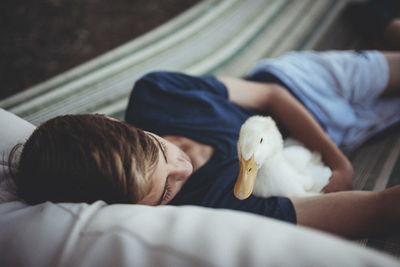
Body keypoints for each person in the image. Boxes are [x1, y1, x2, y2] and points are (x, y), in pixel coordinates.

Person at [8, 49, 400, 240]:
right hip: (346, 133)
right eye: (165, 192)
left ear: (109, 121)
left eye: (159, 148)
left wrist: (340, 163)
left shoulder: (156, 92)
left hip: (301, 85)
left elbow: (270, 95)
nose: (184, 170)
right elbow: (380, 208)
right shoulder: (216, 208)